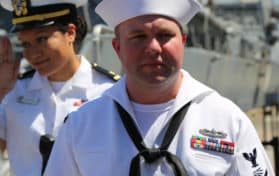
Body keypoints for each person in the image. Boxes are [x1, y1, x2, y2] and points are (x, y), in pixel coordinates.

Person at [45, 0, 275, 175]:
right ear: (117, 47)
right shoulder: (80, 126)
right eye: (138, 36)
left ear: (183, 43)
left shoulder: (228, 120)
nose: (153, 47)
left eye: (165, 35)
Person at [0, 0, 119, 175]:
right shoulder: (12, 92)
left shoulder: (108, 92)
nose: (33, 53)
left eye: (41, 39)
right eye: (25, 44)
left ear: (70, 33)